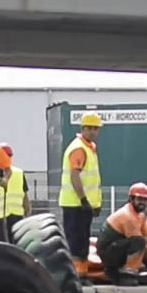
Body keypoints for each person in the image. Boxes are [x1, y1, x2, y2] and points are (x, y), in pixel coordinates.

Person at [95, 182, 147, 285]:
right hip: (109, 254)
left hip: (116, 247)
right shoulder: (128, 217)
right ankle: (127, 275)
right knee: (139, 242)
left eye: (145, 200)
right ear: (131, 199)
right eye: (139, 199)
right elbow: (140, 243)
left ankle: (124, 271)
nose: (143, 203)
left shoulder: (139, 215)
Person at [58, 111, 102, 261]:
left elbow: (91, 180)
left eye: (95, 128)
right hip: (75, 204)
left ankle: (81, 274)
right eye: (88, 128)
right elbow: (74, 176)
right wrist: (83, 200)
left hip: (82, 204)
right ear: (82, 129)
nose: (92, 132)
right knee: (76, 243)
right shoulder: (79, 148)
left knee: (82, 241)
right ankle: (76, 274)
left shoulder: (89, 148)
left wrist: (95, 203)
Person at [0, 142, 28, 240]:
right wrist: (27, 216)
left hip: (0, 218)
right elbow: (26, 200)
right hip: (17, 217)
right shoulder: (19, 173)